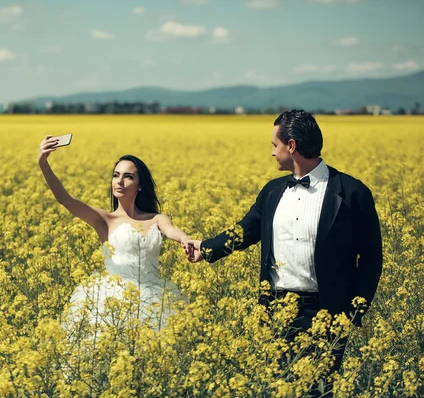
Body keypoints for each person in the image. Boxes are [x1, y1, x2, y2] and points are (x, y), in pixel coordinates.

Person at [185, 110, 383, 394]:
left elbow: (371, 258)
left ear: (291, 146)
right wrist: (205, 248)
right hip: (275, 309)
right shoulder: (273, 191)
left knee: (317, 390)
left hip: (326, 311)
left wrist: (353, 313)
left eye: (274, 145)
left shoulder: (352, 193)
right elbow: (246, 230)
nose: (272, 153)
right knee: (278, 389)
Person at [38, 135, 190, 331]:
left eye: (128, 176)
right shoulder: (105, 220)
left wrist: (185, 239)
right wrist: (43, 163)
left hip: (154, 297)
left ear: (140, 185)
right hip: (111, 301)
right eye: (116, 175)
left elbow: (172, 231)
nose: (120, 181)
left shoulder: (157, 219)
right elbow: (65, 200)